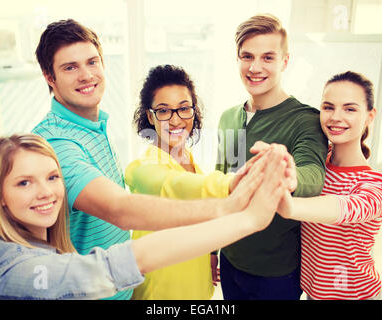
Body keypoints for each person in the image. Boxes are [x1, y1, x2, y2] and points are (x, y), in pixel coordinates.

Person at [31, 19, 261, 300]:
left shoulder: (95, 128)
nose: (86, 75)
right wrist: (230, 195)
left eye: (92, 62)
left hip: (121, 288)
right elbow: (121, 209)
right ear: (49, 77)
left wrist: (211, 250)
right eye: (70, 67)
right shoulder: (55, 145)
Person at [0, 133, 289, 300]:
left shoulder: (38, 245)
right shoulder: (15, 273)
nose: (45, 192)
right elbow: (123, 261)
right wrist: (242, 216)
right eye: (24, 182)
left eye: (52, 177)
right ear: (0, 197)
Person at [214, 13, 328, 300]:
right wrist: (212, 250)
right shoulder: (229, 117)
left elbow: (312, 174)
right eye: (247, 56)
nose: (255, 67)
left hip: (275, 273)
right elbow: (220, 186)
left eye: (267, 57)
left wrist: (290, 175)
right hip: (230, 257)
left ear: (284, 61)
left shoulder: (305, 120)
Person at [273, 71, 382, 300]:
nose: (336, 117)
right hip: (313, 293)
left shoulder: (378, 184)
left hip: (357, 296)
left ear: (370, 116)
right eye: (328, 107)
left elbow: (344, 208)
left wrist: (289, 206)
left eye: (349, 109)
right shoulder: (316, 164)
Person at [126, 64, 245, 299]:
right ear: (150, 116)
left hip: (197, 287)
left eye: (183, 108)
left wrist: (212, 252)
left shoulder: (190, 161)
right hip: (162, 291)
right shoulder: (143, 168)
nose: (176, 120)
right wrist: (231, 184)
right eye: (163, 111)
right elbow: (175, 184)